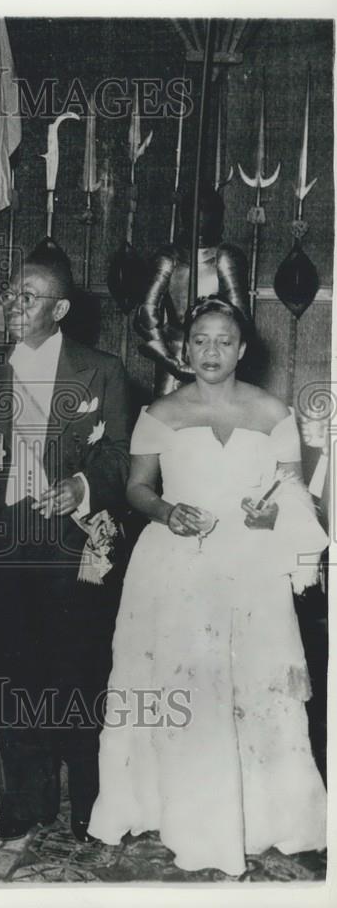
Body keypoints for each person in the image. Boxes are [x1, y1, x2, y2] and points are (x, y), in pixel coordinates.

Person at [88, 296, 327, 876]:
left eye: (223, 341)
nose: (211, 351)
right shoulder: (159, 413)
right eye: (199, 340)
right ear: (184, 348)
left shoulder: (272, 411)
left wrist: (268, 514)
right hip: (176, 564)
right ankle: (179, 811)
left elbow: (294, 495)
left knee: (251, 684)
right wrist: (168, 513)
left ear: (243, 349)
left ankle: (268, 813)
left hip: (249, 566)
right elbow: (137, 489)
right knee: (182, 683)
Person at [0, 239, 131, 842]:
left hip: (69, 546)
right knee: (9, 675)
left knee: (76, 674)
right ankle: (21, 800)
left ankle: (88, 801)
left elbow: (121, 459)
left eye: (28, 297)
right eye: (11, 293)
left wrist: (81, 486)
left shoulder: (102, 369)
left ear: (59, 310)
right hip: (1, 545)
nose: (13, 303)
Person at [135, 186, 249, 396]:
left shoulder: (226, 257)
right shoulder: (169, 258)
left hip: (217, 354)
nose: (202, 218)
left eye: (208, 211)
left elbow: (239, 319)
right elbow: (146, 314)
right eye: (196, 211)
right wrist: (169, 360)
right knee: (164, 419)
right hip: (173, 351)